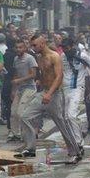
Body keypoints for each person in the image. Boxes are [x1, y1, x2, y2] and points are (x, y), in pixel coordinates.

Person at [21, 35, 83, 163]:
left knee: (62, 124)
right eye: (32, 45)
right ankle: (30, 148)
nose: (33, 48)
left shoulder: (54, 56)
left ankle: (75, 152)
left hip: (55, 94)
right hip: (43, 93)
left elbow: (59, 76)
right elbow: (43, 74)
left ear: (42, 44)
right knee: (24, 116)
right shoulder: (39, 57)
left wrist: (49, 94)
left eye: (35, 45)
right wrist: (39, 81)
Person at [61, 37, 90, 145]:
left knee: (71, 115)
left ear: (72, 46)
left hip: (77, 89)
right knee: (66, 118)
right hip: (65, 89)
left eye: (67, 48)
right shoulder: (62, 57)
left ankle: (78, 142)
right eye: (63, 48)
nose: (65, 50)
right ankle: (74, 139)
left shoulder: (83, 56)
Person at [8, 39, 38, 142]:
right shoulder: (16, 59)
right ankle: (15, 134)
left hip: (29, 88)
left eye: (20, 47)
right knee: (13, 112)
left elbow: (33, 74)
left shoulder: (30, 58)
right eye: (16, 47)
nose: (18, 49)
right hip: (20, 88)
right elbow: (16, 74)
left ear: (25, 48)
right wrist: (13, 90)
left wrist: (19, 80)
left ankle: (26, 134)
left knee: (21, 112)